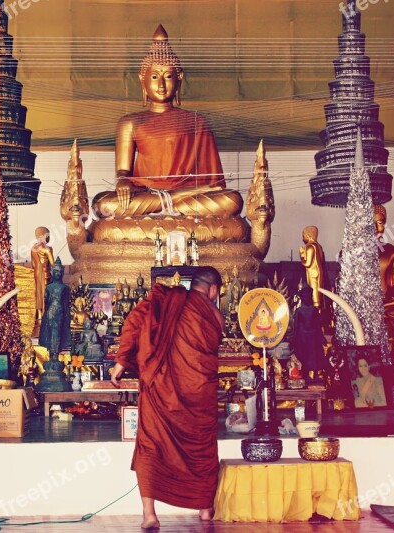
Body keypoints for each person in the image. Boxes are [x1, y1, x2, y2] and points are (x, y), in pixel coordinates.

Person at [111, 266, 224, 528]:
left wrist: (122, 360)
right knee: (202, 449)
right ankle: (205, 509)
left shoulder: (166, 299)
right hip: (198, 394)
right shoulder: (215, 316)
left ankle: (149, 515)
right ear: (213, 289)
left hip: (161, 389)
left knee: (151, 445)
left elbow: (134, 322)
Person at [91, 26, 241, 221]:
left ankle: (170, 201)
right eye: (154, 77)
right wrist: (122, 182)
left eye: (168, 76)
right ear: (142, 79)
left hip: (188, 194)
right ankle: (171, 202)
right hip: (147, 194)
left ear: (179, 78)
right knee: (103, 204)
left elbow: (215, 184)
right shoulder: (130, 122)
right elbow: (123, 171)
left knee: (232, 201)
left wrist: (186, 192)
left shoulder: (197, 121)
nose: (161, 85)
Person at [38, 259, 72, 358]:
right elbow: (46, 302)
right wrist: (45, 316)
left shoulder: (65, 288)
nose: (58, 274)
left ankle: (56, 355)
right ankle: (51, 354)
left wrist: (68, 316)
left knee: (58, 333)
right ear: (52, 273)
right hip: (51, 312)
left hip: (60, 312)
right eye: (56, 272)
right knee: (50, 332)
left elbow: (66, 304)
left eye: (60, 272)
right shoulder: (49, 287)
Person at [293, 287, 327, 381]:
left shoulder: (314, 310)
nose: (307, 298)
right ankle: (305, 375)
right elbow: (296, 326)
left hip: (313, 335)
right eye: (305, 296)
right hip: (303, 336)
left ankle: (316, 375)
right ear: (302, 297)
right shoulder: (299, 311)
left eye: (309, 296)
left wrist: (321, 337)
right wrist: (295, 338)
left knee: (315, 355)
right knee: (305, 356)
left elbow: (318, 325)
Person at [31, 226, 55, 332]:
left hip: (36, 274)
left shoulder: (33, 248)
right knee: (46, 296)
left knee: (38, 295)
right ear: (44, 236)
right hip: (45, 275)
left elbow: (33, 264)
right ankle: (45, 318)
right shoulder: (47, 248)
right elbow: (53, 264)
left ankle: (39, 318)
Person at [299, 225, 328, 309]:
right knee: (318, 293)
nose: (302, 238)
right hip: (318, 273)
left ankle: (316, 312)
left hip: (313, 274)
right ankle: (319, 311)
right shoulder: (318, 246)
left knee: (314, 295)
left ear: (308, 235)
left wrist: (301, 255)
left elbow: (307, 263)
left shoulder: (310, 247)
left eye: (303, 235)